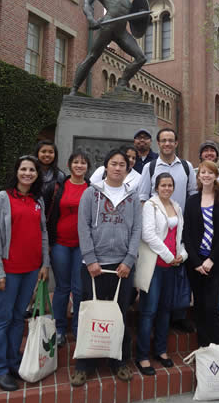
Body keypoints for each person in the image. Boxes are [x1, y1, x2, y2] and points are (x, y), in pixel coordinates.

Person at [71, 149, 141, 386]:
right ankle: (84, 365)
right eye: (114, 164)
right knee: (90, 313)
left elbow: (137, 230)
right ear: (106, 167)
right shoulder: (91, 193)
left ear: (127, 169)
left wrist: (129, 260)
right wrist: (90, 259)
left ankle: (118, 361)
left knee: (119, 314)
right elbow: (83, 226)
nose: (118, 168)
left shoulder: (132, 196)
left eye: (122, 164)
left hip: (121, 267)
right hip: (94, 266)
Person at [0, 155, 50, 391]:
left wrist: (45, 264)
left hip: (31, 270)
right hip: (8, 270)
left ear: (36, 174)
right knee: (1, 319)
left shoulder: (38, 200)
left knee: (17, 318)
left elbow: (43, 234)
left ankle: (13, 362)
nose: (27, 173)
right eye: (23, 169)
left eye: (32, 170)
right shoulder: (2, 199)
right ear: (16, 172)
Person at [138, 127, 197, 333]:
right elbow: (143, 197)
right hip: (157, 231)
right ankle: (152, 320)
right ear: (158, 143)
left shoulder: (187, 167)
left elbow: (192, 195)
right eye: (163, 140)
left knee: (180, 276)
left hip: (180, 228)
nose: (167, 144)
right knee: (157, 278)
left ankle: (178, 316)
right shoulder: (151, 167)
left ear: (176, 143)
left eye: (171, 140)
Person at [70, 0, 146, 95]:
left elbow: (130, 11)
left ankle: (122, 83)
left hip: (121, 30)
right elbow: (86, 3)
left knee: (140, 57)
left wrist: (141, 13)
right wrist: (91, 19)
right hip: (108, 25)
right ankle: (74, 89)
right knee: (92, 57)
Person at [136, 173, 188, 376]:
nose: (166, 188)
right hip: (155, 265)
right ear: (156, 187)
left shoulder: (177, 206)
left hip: (171, 266)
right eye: (163, 185)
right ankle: (142, 355)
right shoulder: (150, 205)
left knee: (166, 309)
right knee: (148, 311)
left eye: (170, 185)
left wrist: (181, 255)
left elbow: (180, 235)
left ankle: (160, 350)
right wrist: (168, 255)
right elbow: (148, 234)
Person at [183, 160, 219, 347]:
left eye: (210, 173)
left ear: (216, 176)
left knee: (212, 307)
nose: (206, 175)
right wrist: (196, 262)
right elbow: (186, 233)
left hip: (215, 261)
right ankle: (204, 347)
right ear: (198, 176)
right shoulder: (192, 200)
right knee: (199, 306)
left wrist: (211, 259)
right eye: (202, 172)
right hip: (196, 263)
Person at [47, 150, 90, 347]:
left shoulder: (91, 188)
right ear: (69, 165)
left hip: (83, 245)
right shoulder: (60, 187)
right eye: (76, 162)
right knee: (62, 288)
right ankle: (59, 329)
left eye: (83, 163)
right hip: (61, 244)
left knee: (79, 289)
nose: (79, 166)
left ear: (87, 167)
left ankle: (79, 330)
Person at [195, 140, 219, 327]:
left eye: (212, 151)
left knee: (217, 278)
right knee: (199, 278)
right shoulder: (195, 172)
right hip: (200, 234)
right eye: (206, 151)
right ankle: (200, 312)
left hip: (218, 235)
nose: (209, 153)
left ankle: (217, 312)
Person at [34, 139, 65, 215]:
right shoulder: (30, 173)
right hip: (32, 213)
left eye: (51, 152)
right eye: (43, 151)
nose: (47, 154)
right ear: (37, 153)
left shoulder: (60, 176)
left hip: (51, 216)